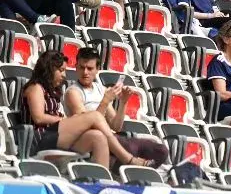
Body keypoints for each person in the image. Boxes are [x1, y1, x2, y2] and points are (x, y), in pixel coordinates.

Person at [21, 51, 150, 169]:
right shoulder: (35, 87)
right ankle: (128, 159)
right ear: (49, 70)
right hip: (41, 138)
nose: (64, 75)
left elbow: (117, 126)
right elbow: (38, 117)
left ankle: (102, 181)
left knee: (98, 137)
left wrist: (123, 102)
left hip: (57, 135)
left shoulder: (52, 90)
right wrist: (65, 119)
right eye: (61, 70)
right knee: (94, 116)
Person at [63, 48, 168, 168]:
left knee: (161, 151)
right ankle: (128, 163)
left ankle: (131, 169)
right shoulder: (73, 92)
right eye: (82, 67)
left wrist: (123, 102)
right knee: (129, 149)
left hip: (113, 139)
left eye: (90, 68)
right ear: (76, 67)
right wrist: (105, 101)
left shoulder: (100, 88)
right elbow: (87, 125)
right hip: (92, 141)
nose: (85, 72)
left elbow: (116, 126)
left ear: (97, 70)